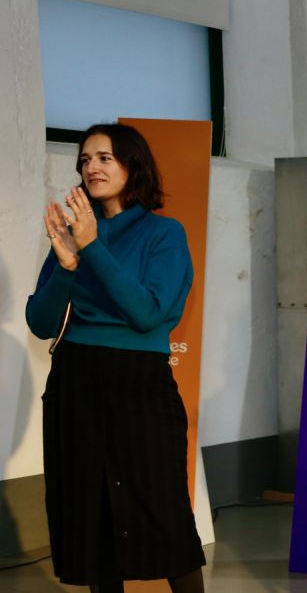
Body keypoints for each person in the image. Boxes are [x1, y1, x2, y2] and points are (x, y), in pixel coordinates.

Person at [26, 123, 205, 593]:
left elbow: (147, 314)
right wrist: (67, 266)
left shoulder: (164, 233)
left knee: (163, 510)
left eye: (105, 157)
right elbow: (41, 322)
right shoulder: (72, 234)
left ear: (132, 165)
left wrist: (92, 248)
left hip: (139, 386)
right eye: (86, 160)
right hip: (76, 382)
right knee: (91, 516)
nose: (92, 167)